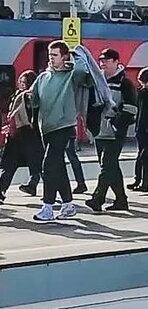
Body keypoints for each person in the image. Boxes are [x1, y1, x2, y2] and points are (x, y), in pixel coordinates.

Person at [30, 40, 92, 221]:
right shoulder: (43, 77)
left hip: (64, 126)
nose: (51, 58)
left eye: (55, 55)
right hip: (46, 127)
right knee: (58, 167)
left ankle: (48, 207)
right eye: (50, 55)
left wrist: (75, 56)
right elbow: (34, 99)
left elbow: (83, 72)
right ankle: (68, 205)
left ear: (64, 57)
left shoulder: (71, 75)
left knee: (48, 165)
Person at [85, 48, 138, 211]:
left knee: (106, 165)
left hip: (115, 132)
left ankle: (98, 199)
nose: (103, 64)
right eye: (101, 61)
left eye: (107, 61)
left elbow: (131, 108)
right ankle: (121, 200)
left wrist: (117, 124)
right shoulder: (96, 81)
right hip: (99, 130)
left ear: (116, 62)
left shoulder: (125, 83)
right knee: (111, 166)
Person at [0, 71, 43, 203]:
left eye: (24, 82)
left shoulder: (28, 96)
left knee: (35, 164)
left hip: (27, 134)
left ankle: (40, 188)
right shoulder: (18, 95)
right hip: (20, 136)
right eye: (21, 82)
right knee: (13, 165)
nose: (22, 85)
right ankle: (4, 189)